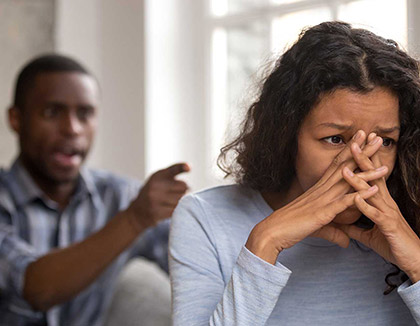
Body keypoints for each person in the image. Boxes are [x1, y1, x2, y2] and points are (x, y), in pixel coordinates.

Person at [169, 21, 420, 325]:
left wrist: (417, 264)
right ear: (287, 135)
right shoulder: (206, 218)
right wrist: (265, 242)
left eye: (385, 142)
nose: (358, 165)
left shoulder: (412, 215)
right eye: (335, 139)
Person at [0, 54, 190, 325]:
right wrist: (133, 220)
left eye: (85, 114)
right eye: (52, 112)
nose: (72, 129)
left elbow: (196, 263)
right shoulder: (134, 208)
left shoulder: (121, 195)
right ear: (16, 119)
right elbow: (36, 289)